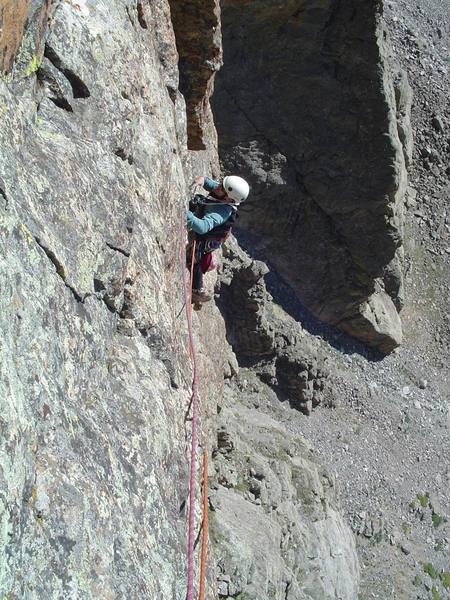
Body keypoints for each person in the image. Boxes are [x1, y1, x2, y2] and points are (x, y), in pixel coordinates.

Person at [186, 175, 250, 303]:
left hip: (212, 238)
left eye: (221, 187)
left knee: (196, 257)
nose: (218, 186)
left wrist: (186, 214)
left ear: (227, 198)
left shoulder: (221, 212)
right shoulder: (224, 192)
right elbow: (207, 182)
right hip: (212, 224)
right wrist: (199, 181)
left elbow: (202, 228)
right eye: (221, 184)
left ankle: (197, 290)